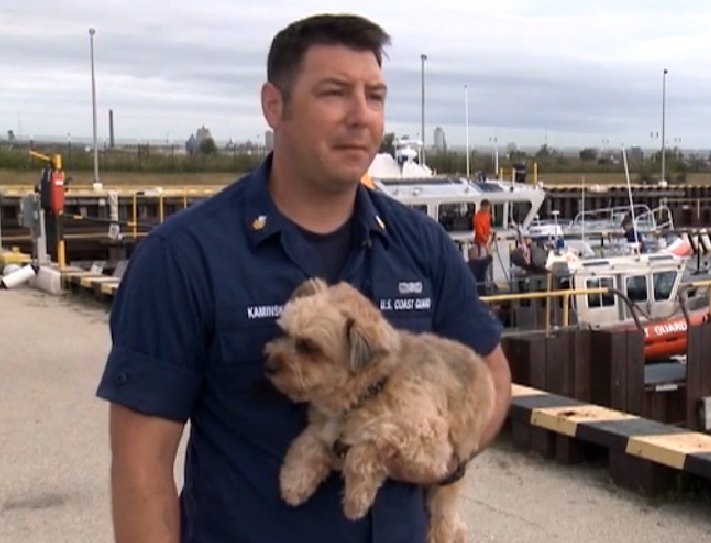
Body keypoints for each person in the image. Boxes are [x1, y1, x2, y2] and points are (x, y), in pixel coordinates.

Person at [95, 13, 511, 543]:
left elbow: (493, 374)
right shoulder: (184, 258)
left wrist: (449, 457)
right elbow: (141, 472)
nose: (362, 117)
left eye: (375, 96)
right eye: (335, 93)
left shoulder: (420, 246)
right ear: (275, 106)